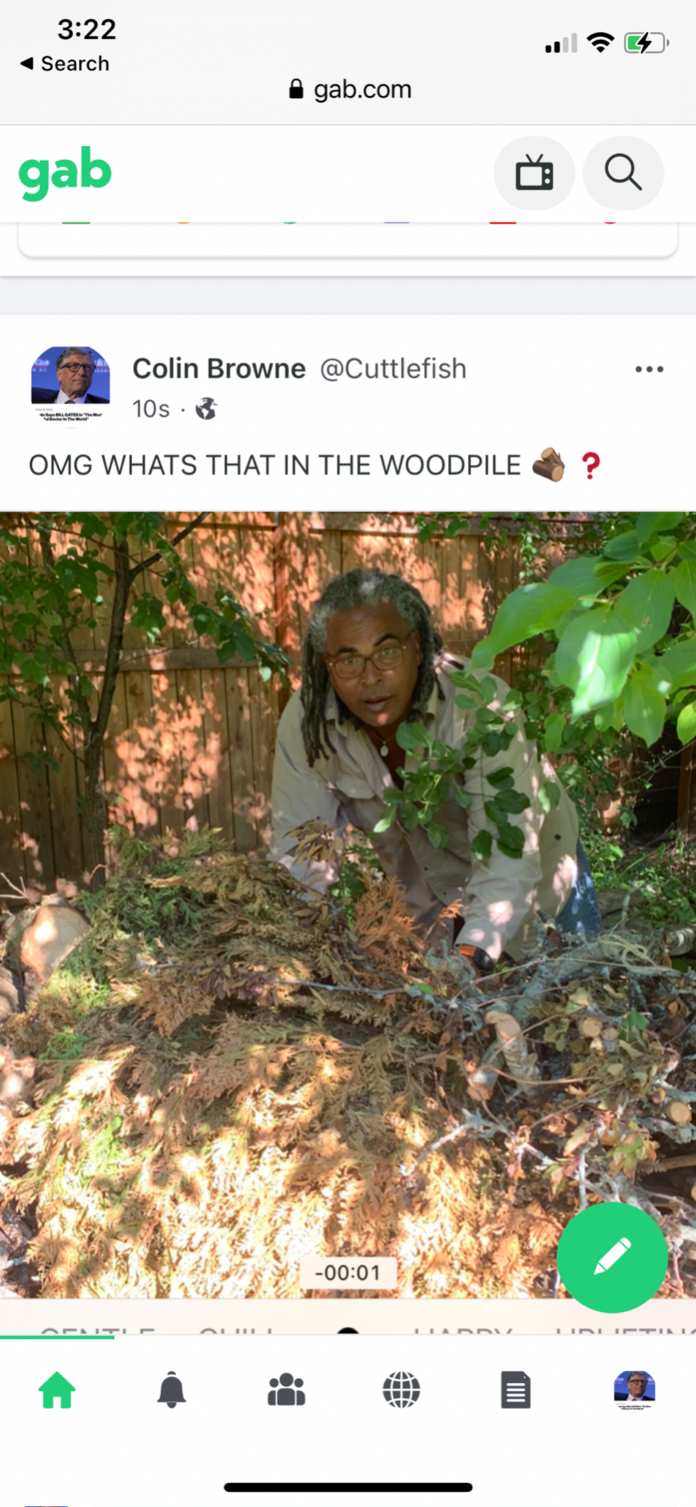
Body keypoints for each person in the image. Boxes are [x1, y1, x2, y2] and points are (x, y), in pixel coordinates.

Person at [270, 568, 601, 971]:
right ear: (326, 663)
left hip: (539, 887)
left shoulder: (481, 708)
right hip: (431, 910)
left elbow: (508, 854)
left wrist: (471, 958)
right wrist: (294, 952)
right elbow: (300, 855)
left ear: (416, 647)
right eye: (349, 660)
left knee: (572, 996)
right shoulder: (308, 725)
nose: (370, 677)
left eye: (387, 652)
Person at [31, 347, 109, 404]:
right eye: (74, 366)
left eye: (87, 367)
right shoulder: (32, 397)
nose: (82, 372)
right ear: (59, 374)